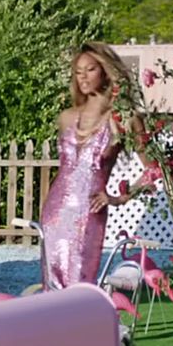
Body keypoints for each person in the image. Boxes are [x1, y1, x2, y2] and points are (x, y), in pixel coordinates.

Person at [39, 43, 146, 289]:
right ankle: (50, 327)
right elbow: (65, 171)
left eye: (90, 70)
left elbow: (155, 169)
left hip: (89, 213)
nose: (83, 77)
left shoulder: (124, 119)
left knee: (79, 282)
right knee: (51, 284)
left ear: (105, 71)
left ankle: (81, 327)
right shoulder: (66, 117)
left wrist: (119, 198)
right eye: (78, 72)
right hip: (55, 211)